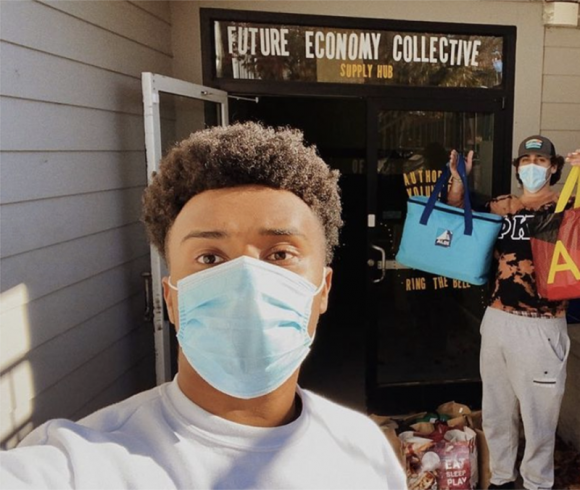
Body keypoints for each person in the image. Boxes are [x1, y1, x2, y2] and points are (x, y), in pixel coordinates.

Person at [0, 123, 407, 489]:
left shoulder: (363, 449)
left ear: (324, 290)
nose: (247, 278)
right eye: (209, 258)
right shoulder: (79, 464)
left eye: (280, 254)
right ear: (172, 298)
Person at [447, 135, 580, 490]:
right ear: (517, 168)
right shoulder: (504, 205)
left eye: (540, 161)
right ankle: (500, 478)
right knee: (497, 410)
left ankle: (536, 483)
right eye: (525, 160)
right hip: (497, 319)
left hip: (541, 325)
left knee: (539, 415)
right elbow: (458, 207)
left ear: (554, 167)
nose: (531, 167)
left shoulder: (566, 206)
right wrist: (459, 177)